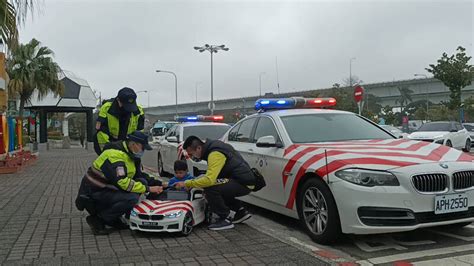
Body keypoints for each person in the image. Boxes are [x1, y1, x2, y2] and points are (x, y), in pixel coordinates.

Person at [75, 131, 163, 235]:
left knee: (142, 182)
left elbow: (138, 176)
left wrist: (160, 184)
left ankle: (114, 218)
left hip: (107, 189)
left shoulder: (130, 155)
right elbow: (122, 182)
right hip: (94, 193)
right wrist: (148, 189)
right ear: (133, 144)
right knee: (131, 198)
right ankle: (99, 219)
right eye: (142, 147)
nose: (143, 151)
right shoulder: (114, 155)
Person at [175, 136, 255, 230]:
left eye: (192, 154)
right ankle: (240, 212)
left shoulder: (214, 154)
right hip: (242, 180)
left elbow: (209, 180)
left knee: (210, 188)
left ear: (199, 148)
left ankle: (224, 218)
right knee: (218, 186)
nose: (192, 157)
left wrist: (187, 183)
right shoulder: (215, 147)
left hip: (242, 182)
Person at [94, 87, 145, 155]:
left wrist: (134, 150)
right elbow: (101, 131)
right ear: (118, 100)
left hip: (128, 143)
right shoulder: (106, 109)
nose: (128, 109)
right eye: (125, 105)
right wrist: (109, 150)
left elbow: (139, 133)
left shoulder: (138, 111)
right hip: (110, 142)